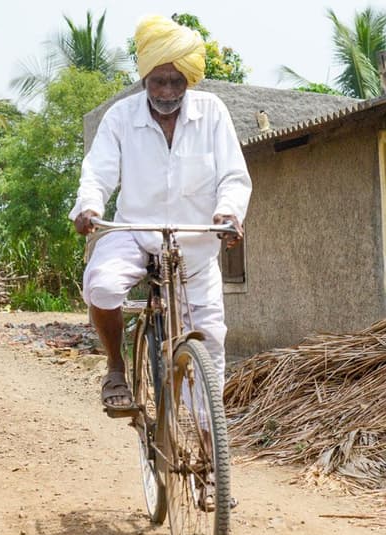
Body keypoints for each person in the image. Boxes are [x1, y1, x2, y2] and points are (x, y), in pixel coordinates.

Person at [70, 15, 252, 417]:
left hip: (195, 245)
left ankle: (208, 444)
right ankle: (116, 367)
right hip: (133, 231)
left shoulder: (212, 112)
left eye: (177, 81)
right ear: (144, 79)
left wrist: (229, 214)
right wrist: (90, 207)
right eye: (159, 81)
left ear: (189, 79)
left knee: (211, 344)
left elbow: (234, 176)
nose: (168, 91)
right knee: (100, 285)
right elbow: (98, 172)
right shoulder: (121, 117)